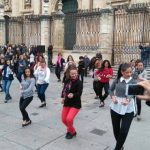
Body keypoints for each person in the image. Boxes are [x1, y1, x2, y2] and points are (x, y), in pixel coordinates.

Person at [109, 63, 137, 150]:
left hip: (128, 109)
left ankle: (117, 148)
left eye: (130, 72)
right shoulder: (117, 80)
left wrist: (128, 99)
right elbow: (110, 89)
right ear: (122, 72)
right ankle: (120, 146)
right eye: (127, 72)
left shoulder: (133, 81)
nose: (129, 74)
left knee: (124, 130)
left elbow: (133, 93)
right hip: (115, 107)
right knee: (116, 130)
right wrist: (112, 96)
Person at [61, 66, 83, 139]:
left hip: (75, 104)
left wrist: (73, 94)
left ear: (77, 73)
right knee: (64, 120)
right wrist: (63, 98)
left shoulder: (79, 82)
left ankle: (70, 131)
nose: (74, 75)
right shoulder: (67, 80)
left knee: (69, 119)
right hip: (67, 102)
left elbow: (79, 93)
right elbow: (64, 90)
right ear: (69, 74)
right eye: (72, 74)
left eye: (75, 73)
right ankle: (72, 131)